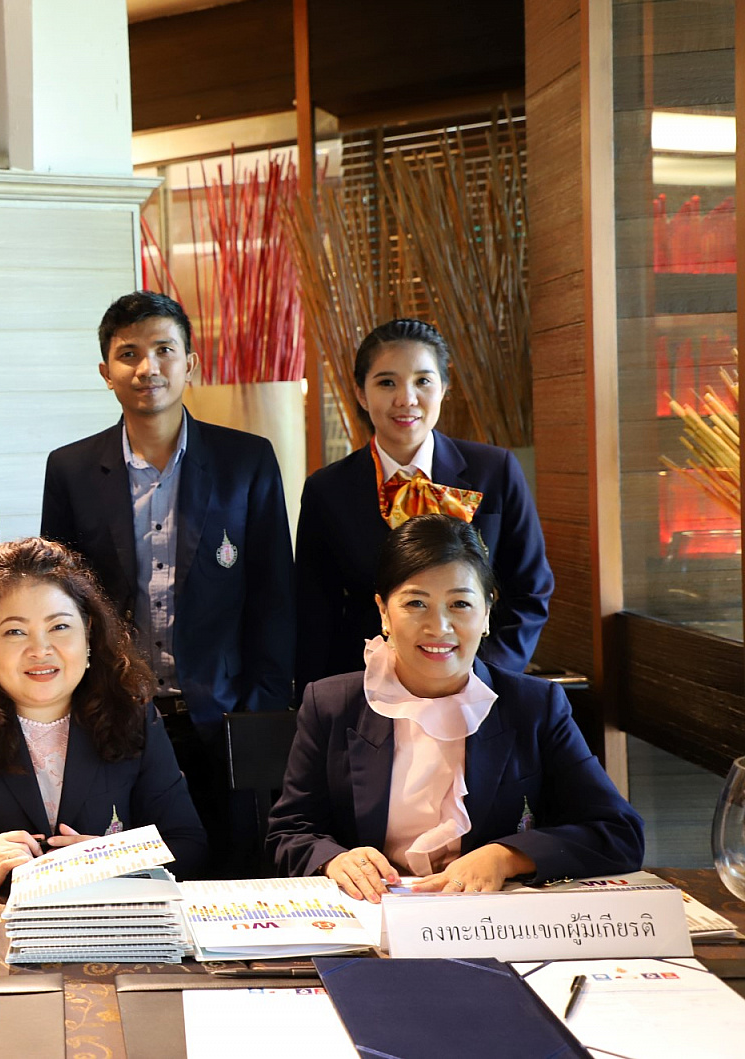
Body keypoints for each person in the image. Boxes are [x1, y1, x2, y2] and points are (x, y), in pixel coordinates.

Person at [41, 290, 293, 877]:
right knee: (128, 878)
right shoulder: (71, 469)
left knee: (234, 874)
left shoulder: (246, 460)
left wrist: (259, 711)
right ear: (106, 371)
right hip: (116, 719)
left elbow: (274, 597)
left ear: (190, 363)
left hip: (224, 717)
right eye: (128, 354)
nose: (147, 368)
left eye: (163, 350)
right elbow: (60, 601)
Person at [268, 515, 642, 901]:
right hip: (376, 913)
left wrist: (507, 856)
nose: (439, 627)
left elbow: (619, 832)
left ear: (487, 611)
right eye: (416, 603)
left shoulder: (533, 705)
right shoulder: (332, 704)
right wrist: (334, 860)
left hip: (490, 919)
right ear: (383, 612)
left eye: (460, 603)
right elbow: (290, 832)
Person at [0, 537, 209, 884]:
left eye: (59, 627)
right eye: (15, 631)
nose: (40, 649)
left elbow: (188, 846)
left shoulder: (132, 713)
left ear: (88, 633)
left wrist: (116, 860)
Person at [294, 318, 553, 693]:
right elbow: (315, 612)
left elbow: (530, 590)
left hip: (477, 685)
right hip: (369, 688)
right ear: (361, 394)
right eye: (387, 383)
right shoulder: (327, 489)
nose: (406, 399)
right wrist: (323, 702)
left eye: (423, 381)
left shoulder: (495, 471)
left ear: (444, 388)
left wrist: (485, 675)